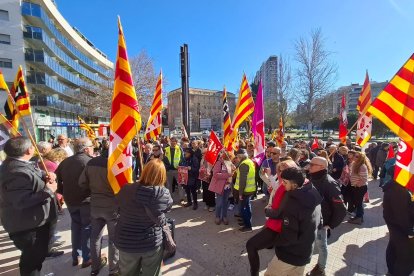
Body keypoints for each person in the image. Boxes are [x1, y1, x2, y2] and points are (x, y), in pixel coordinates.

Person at [0, 137, 58, 276]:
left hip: (34, 221)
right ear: (28, 150)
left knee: (37, 256)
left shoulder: (18, 163)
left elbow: (33, 175)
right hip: (29, 225)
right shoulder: (15, 172)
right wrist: (49, 191)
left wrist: (47, 175)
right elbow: (21, 201)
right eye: (32, 146)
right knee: (31, 260)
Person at [115, 159, 173, 276]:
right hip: (150, 243)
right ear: (162, 175)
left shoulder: (126, 188)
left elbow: (118, 207)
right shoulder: (163, 193)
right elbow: (168, 207)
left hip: (126, 242)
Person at [264, 167, 322, 276]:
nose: (283, 185)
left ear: (294, 184)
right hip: (306, 251)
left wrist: (274, 242)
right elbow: (320, 221)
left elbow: (289, 235)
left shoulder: (293, 204)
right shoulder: (313, 192)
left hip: (289, 255)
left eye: (285, 182)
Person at [246, 160, 298, 276]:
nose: (281, 172)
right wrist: (268, 176)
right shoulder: (281, 180)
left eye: (285, 169)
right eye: (279, 169)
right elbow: (271, 184)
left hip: (278, 223)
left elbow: (281, 211)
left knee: (251, 245)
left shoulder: (289, 185)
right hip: (272, 218)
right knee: (257, 243)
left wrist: (267, 210)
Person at [56, 137, 94, 268]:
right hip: (86, 201)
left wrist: (64, 192)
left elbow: (57, 181)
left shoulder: (65, 162)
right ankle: (86, 257)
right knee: (86, 228)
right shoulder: (90, 162)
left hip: (71, 201)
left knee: (76, 227)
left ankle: (76, 256)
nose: (93, 149)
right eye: (92, 147)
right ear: (86, 149)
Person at [79, 154, 119, 276]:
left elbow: (82, 183)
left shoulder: (91, 163)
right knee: (114, 240)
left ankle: (94, 268)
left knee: (95, 238)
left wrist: (93, 189)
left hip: (96, 205)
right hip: (112, 207)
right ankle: (113, 270)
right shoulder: (115, 165)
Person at [306, 157, 346, 276]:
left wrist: (331, 224)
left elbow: (341, 209)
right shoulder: (313, 177)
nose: (310, 166)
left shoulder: (330, 183)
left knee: (322, 246)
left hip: (322, 222)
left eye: (312, 164)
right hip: (311, 219)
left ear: (322, 167)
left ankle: (321, 269)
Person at [383, 177, 414, 275]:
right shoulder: (399, 188)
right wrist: (410, 231)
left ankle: (392, 271)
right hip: (402, 229)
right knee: (404, 256)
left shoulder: (401, 184)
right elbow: (401, 215)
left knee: (394, 248)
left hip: (398, 228)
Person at [209, 151, 235, 225]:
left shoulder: (230, 163)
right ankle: (217, 216)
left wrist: (234, 169)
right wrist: (228, 175)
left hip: (228, 187)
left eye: (231, 157)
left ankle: (224, 216)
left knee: (225, 203)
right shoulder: (219, 163)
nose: (230, 158)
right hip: (220, 187)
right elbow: (215, 174)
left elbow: (233, 172)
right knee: (219, 203)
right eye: (229, 157)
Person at [234, 148, 257, 233]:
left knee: (243, 209)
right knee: (247, 206)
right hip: (249, 189)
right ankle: (247, 222)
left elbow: (242, 180)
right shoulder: (249, 161)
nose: (236, 158)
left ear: (240, 156)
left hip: (245, 191)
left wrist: (240, 193)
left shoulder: (244, 164)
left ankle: (247, 226)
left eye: (237, 156)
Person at [348, 152, 372, 225]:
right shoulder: (354, 164)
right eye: (354, 156)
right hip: (355, 187)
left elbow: (364, 179)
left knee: (358, 203)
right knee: (357, 202)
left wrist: (357, 185)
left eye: (357, 156)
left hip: (360, 187)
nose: (354, 157)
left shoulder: (362, 166)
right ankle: (358, 216)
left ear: (361, 158)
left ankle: (359, 218)